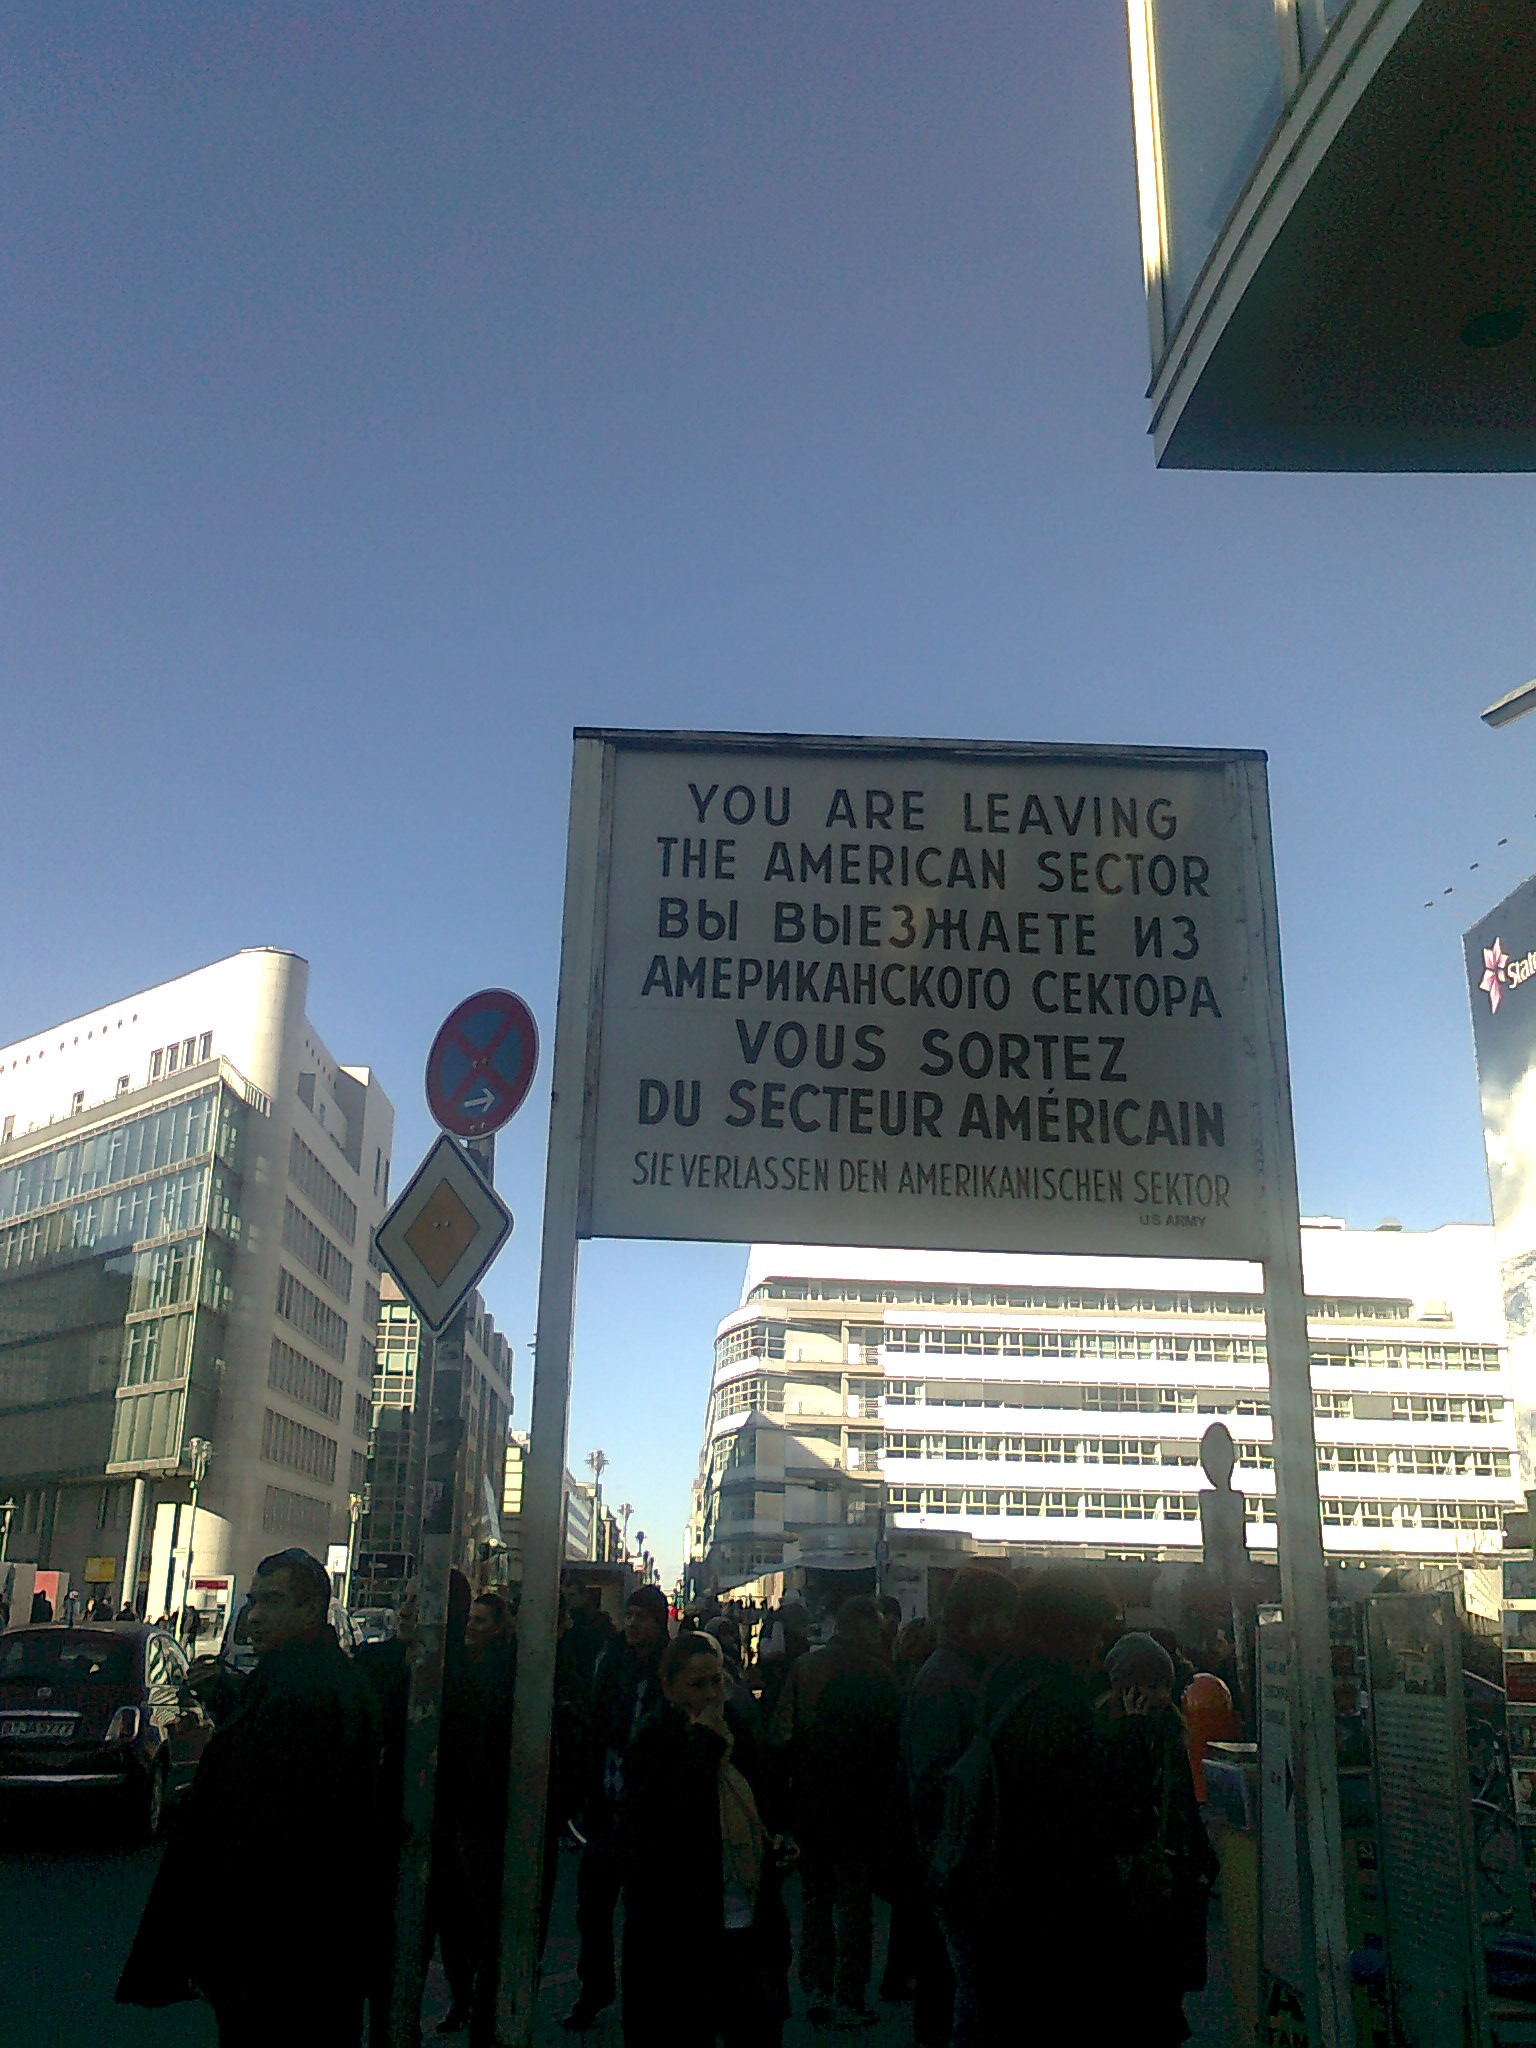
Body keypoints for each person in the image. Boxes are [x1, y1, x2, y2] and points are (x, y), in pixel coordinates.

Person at [116, 1547, 381, 2047]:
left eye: (272, 1602)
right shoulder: (298, 1680)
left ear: (311, 1608)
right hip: (294, 1950)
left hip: (280, 1953)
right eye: (253, 1601)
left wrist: (217, 1948)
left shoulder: (306, 1693)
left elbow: (269, 1831)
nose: (254, 1616)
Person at [940, 1570, 1117, 2048]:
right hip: (1045, 1916)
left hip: (993, 1894)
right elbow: (1075, 1824)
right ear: (1071, 1632)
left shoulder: (1002, 1680)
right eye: (1093, 1634)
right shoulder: (1061, 1703)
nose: (1096, 1649)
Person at [620, 1631, 790, 2048]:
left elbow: (767, 1800)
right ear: (670, 1687)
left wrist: (780, 1837)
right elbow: (660, 1828)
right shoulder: (655, 1742)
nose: (712, 1694)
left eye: (717, 1681)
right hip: (682, 1934)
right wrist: (703, 1745)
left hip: (747, 1919)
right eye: (697, 1684)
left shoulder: (739, 1732)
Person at [772, 1595, 900, 2028]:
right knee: (854, 1905)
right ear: (866, 1627)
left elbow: (781, 1735)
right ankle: (849, 1994)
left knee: (816, 1900)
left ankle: (816, 1988)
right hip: (861, 1807)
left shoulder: (806, 1668)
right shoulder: (881, 1675)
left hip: (812, 1803)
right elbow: (892, 1748)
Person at [1100, 1633, 1218, 2046]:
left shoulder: (1167, 1732)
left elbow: (1180, 1806)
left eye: (1164, 1686)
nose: (1161, 1696)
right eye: (1151, 1686)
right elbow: (1121, 1810)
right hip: (1139, 1888)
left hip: (1168, 1884)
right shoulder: (1113, 1736)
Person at [564, 1584, 671, 2031]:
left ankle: (644, 1999)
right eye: (629, 1615)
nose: (632, 1624)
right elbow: (596, 1724)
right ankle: (595, 1988)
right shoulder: (613, 1662)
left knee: (645, 1915)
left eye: (641, 1616)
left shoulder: (669, 1667)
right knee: (593, 1906)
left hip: (649, 1810)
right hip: (608, 1804)